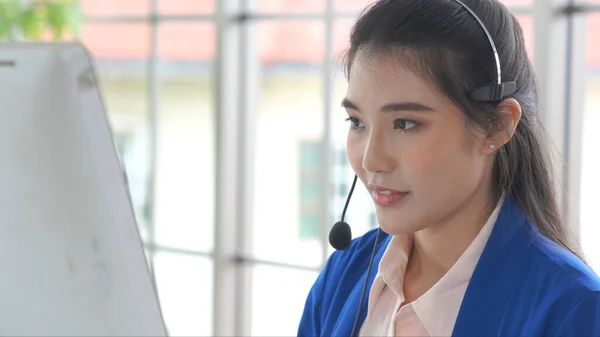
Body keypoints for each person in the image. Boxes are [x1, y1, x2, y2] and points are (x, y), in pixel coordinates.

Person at [297, 0, 600, 336]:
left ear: (497, 126)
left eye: (405, 123)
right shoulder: (345, 274)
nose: (370, 160)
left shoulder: (572, 311)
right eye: (357, 122)